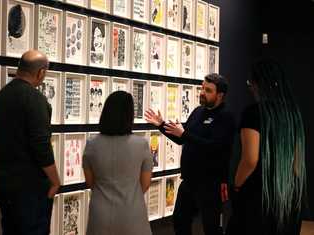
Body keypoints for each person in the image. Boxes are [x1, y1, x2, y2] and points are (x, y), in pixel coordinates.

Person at [145, 73, 236, 235]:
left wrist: (184, 135)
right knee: (180, 220)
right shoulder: (197, 112)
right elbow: (182, 138)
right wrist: (161, 125)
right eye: (202, 88)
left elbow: (214, 147)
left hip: (211, 184)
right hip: (189, 181)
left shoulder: (226, 117)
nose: (202, 92)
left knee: (211, 227)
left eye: (208, 90)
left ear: (220, 95)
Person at [226, 58, 306, 235]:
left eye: (250, 83)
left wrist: (236, 185)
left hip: (257, 197)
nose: (250, 87)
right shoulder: (293, 114)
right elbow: (297, 165)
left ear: (257, 84)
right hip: (287, 197)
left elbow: (250, 159)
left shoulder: (253, 113)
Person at [0, 50, 61, 235]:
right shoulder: (35, 99)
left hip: (7, 184)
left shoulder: (1, 97)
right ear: (41, 73)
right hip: (31, 188)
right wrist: (55, 181)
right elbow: (41, 146)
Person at [82, 91, 153, 235]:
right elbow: (145, 184)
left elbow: (90, 182)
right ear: (129, 115)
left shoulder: (91, 144)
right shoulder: (141, 144)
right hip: (132, 212)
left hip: (100, 213)